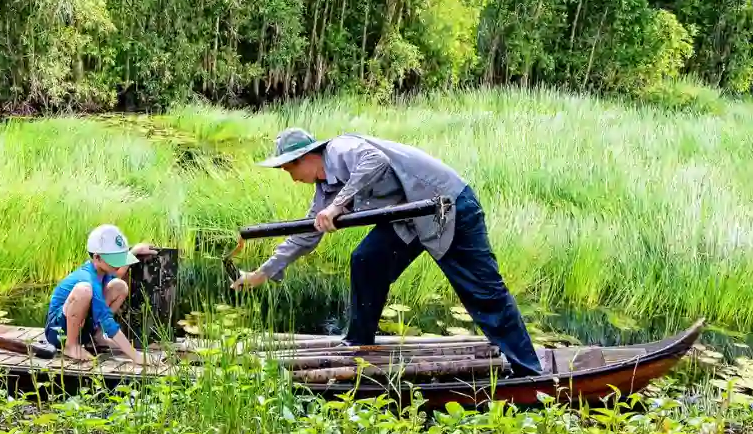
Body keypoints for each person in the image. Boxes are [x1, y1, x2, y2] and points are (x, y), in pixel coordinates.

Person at [230, 128, 542, 377]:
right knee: (367, 261)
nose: (291, 177)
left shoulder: (342, 149)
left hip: (448, 207)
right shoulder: (325, 189)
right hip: (410, 219)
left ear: (306, 157)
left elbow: (375, 160)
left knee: (484, 293)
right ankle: (359, 344)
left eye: (289, 169)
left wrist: (339, 206)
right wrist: (261, 274)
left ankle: (528, 372)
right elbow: (305, 235)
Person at [45, 224, 162, 365]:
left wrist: (135, 251)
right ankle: (71, 346)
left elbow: (117, 273)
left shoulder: (102, 270)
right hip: (59, 332)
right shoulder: (87, 278)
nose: (118, 264)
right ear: (97, 258)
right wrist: (135, 355)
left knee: (119, 286)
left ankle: (97, 336)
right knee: (84, 290)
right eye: (114, 259)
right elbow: (106, 319)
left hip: (82, 327)